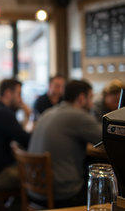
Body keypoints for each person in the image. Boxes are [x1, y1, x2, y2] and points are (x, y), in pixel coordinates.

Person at [28, 80, 101, 208]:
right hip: (63, 194)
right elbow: (106, 137)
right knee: (105, 189)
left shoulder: (48, 112)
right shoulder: (79, 115)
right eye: (91, 97)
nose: (92, 102)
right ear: (81, 98)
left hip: (34, 190)